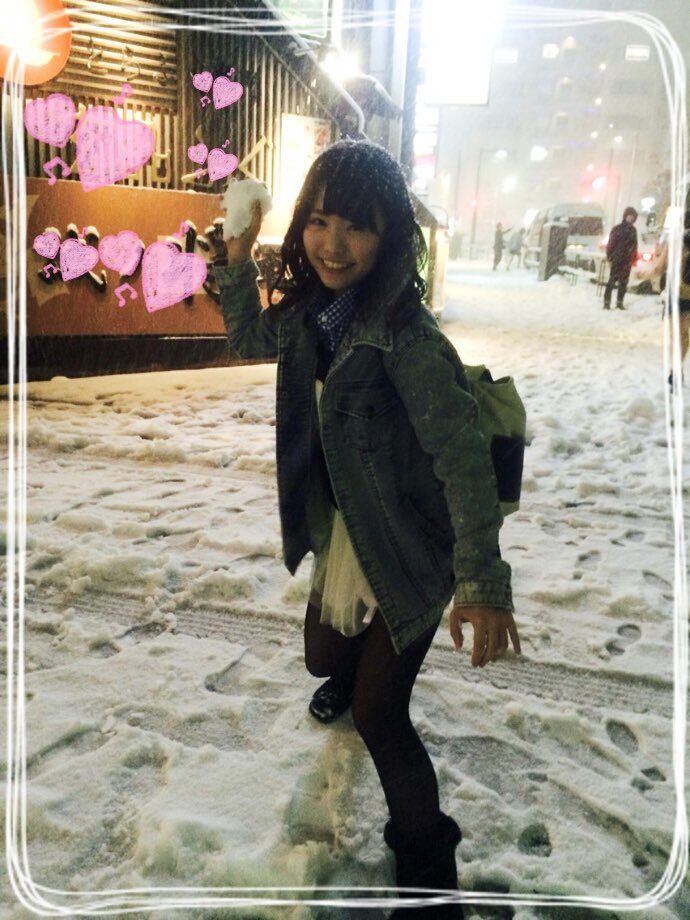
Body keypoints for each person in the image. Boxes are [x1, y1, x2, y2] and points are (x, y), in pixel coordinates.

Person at [212, 140, 521, 917]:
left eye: (357, 225)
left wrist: (482, 584)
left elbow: (464, 463)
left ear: (390, 236)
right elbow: (247, 338)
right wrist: (237, 259)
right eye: (320, 221)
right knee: (324, 658)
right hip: (350, 532)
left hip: (413, 546)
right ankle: (354, 674)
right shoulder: (309, 315)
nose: (333, 243)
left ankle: (429, 872)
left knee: (382, 715)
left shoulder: (407, 339)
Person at [639, 209, 690, 389]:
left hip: (678, 293)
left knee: (678, 335)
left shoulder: (675, 242)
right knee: (685, 336)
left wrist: (642, 275)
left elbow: (659, 269)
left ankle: (676, 370)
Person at [603, 206, 638, 310]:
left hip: (627, 260)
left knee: (624, 282)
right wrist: (609, 257)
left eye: (633, 217)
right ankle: (607, 302)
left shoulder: (633, 230)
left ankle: (619, 302)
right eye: (630, 216)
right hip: (617, 258)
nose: (631, 218)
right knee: (612, 281)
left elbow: (634, 245)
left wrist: (633, 258)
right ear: (625, 216)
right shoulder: (617, 229)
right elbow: (611, 244)